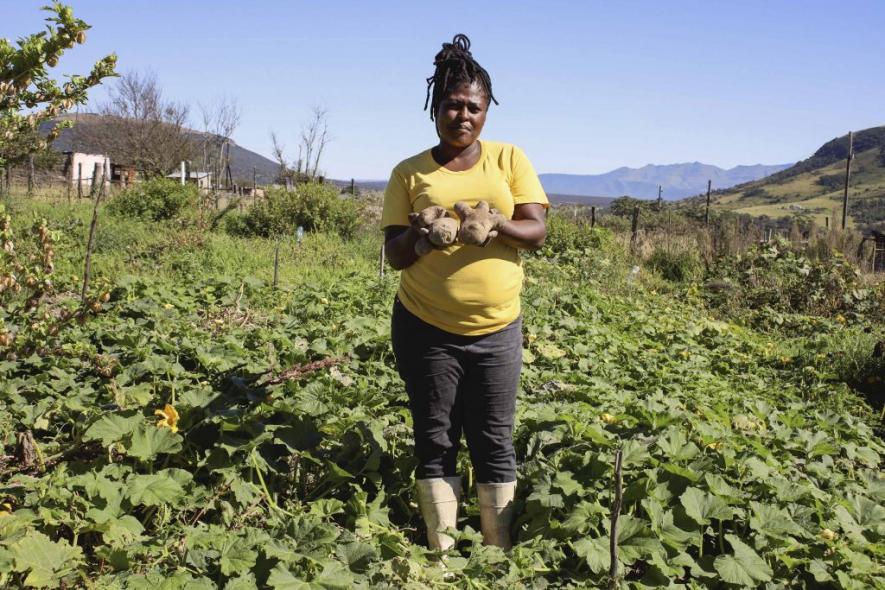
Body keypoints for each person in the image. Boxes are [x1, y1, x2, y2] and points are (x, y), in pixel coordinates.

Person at [381, 34, 548, 551]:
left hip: (498, 329)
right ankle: (443, 554)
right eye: (452, 104)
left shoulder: (509, 159)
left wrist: (494, 222)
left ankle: (497, 553)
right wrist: (422, 233)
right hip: (426, 326)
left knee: (494, 438)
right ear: (435, 108)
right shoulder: (409, 172)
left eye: (473, 106)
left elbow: (537, 231)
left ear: (486, 111)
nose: (463, 115)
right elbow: (394, 253)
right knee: (436, 437)